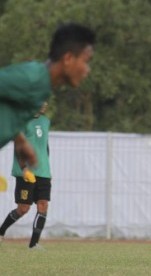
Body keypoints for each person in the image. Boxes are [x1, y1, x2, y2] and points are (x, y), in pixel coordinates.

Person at [0, 22, 96, 170]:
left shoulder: (42, 86)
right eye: (86, 61)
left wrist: (20, 140)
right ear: (68, 58)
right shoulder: (32, 78)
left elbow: (8, 110)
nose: (87, 70)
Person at [0, 103, 51, 248]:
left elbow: (45, 145)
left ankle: (33, 244)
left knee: (43, 205)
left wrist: (47, 167)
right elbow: (18, 146)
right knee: (23, 208)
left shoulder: (46, 121)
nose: (44, 104)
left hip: (43, 172)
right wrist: (24, 169)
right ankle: (1, 231)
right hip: (26, 172)